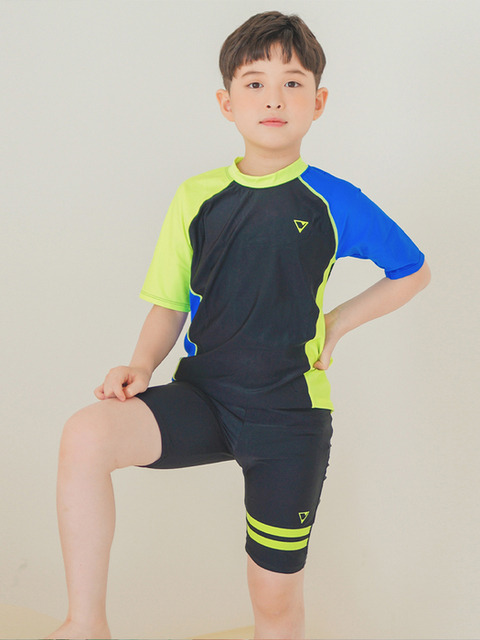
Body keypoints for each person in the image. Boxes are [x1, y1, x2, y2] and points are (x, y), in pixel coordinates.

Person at [47, 11, 431, 640]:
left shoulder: (334, 200)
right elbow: (169, 303)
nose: (273, 98)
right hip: (203, 398)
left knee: (273, 601)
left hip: (288, 416)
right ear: (227, 103)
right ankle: (85, 625)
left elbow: (411, 271)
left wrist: (336, 324)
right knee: (86, 435)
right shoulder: (195, 196)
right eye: (255, 83)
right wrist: (141, 364)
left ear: (318, 102)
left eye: (292, 83)